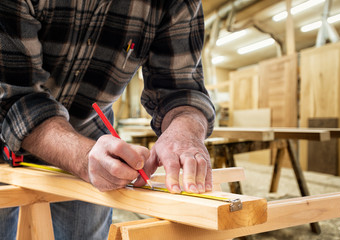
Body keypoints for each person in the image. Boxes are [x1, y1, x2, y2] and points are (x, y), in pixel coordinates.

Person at [0, 0, 215, 239]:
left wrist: (184, 131)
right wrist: (81, 156)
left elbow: (181, 88)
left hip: (89, 140)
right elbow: (13, 96)